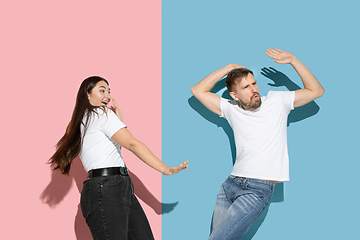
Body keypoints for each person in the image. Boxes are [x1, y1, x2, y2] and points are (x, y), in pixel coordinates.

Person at [191, 48, 324, 239]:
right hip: (230, 184)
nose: (254, 90)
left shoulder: (277, 101)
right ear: (234, 95)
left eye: (254, 83)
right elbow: (197, 91)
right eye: (246, 87)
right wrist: (227, 68)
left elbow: (316, 91)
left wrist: (294, 61)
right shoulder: (230, 108)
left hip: (257, 189)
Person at [49, 76, 188, 240]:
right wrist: (164, 168)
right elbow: (131, 144)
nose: (107, 95)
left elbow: (110, 150)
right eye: (101, 90)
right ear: (87, 94)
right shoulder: (102, 113)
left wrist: (119, 121)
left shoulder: (79, 123)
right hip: (107, 188)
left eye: (108, 91)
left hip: (113, 187)